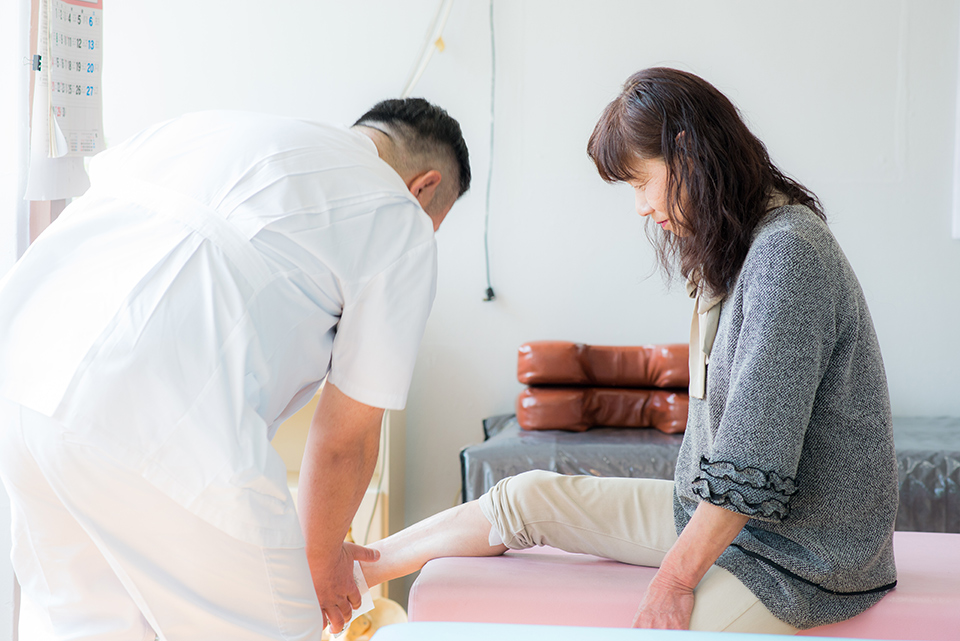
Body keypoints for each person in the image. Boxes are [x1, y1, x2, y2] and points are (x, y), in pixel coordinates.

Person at [358, 68, 898, 634]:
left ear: (687, 153)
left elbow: (751, 467)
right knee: (525, 495)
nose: (640, 206)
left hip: (801, 558)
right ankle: (359, 567)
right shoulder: (742, 248)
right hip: (717, 516)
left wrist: (675, 580)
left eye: (642, 182)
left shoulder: (788, 254)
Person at [0, 98, 470, 641]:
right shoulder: (400, 216)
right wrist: (319, 564)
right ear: (424, 187)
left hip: (24, 388)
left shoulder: (202, 126)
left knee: (91, 628)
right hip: (166, 430)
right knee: (276, 627)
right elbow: (347, 439)